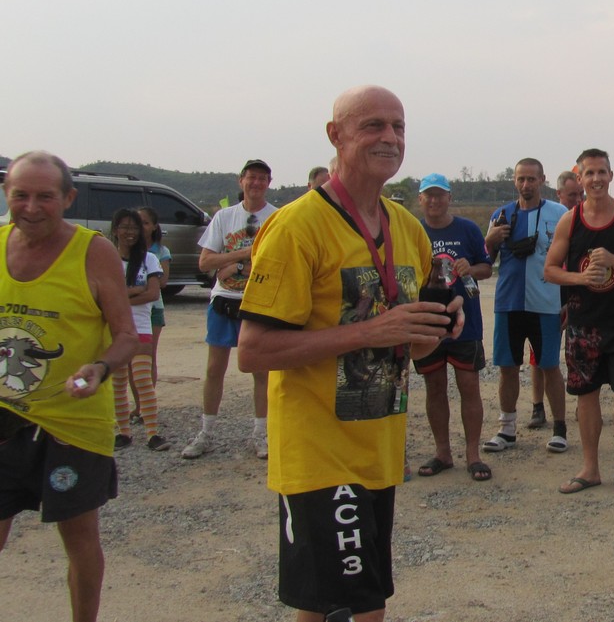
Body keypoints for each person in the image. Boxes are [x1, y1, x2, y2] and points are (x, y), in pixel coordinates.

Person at [238, 85, 461, 620]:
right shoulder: (296, 227)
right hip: (318, 453)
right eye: (373, 125)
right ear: (335, 135)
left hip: (379, 449)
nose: (390, 137)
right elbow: (253, 350)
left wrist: (438, 325)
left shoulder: (407, 229)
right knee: (339, 603)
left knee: (361, 601)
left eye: (398, 127)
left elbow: (412, 344)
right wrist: (368, 332)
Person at [0, 151, 139, 622]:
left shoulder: (92, 251)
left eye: (45, 196)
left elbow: (126, 335)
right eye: (21, 195)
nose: (31, 207)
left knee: (79, 538)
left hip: (73, 423)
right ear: (6, 194)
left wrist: (100, 368)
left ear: (68, 198)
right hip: (5, 416)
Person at [545, 148, 614, 494]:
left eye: (601, 172)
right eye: (589, 173)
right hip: (583, 325)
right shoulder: (570, 220)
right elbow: (550, 270)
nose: (596, 179)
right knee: (586, 395)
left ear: (611, 176)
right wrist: (580, 279)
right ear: (579, 178)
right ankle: (590, 468)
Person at [181, 159, 278, 460]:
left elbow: (277, 263)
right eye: (251, 177)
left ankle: (260, 434)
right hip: (224, 299)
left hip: (259, 302)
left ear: (269, 183)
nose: (256, 183)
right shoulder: (224, 217)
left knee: (261, 371)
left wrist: (232, 264)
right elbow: (205, 262)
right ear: (241, 181)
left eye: (262, 178)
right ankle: (206, 431)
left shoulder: (277, 217)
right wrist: (244, 255)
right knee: (214, 369)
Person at [483, 159, 571, 453]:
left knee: (549, 366)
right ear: (514, 180)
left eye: (531, 179)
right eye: (521, 179)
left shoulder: (559, 214)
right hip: (508, 303)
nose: (526, 184)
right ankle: (506, 430)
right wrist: (490, 240)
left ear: (542, 180)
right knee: (507, 367)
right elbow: (485, 261)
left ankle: (560, 429)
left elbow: (571, 258)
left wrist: (568, 300)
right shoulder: (501, 215)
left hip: (545, 303)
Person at [414, 173, 494, 481]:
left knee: (469, 386)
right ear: (420, 199)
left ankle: (473, 454)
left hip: (466, 322)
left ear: (449, 197)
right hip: (428, 322)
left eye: (440, 195)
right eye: (428, 195)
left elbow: (487, 268)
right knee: (434, 387)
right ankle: (442, 452)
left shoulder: (468, 229)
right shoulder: (413, 230)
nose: (434, 201)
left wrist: (469, 268)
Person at [108, 208, 171, 452]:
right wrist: (135, 290)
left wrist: (122, 296)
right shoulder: (108, 259)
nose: (130, 232)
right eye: (124, 227)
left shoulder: (150, 259)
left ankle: (152, 433)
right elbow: (105, 296)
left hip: (141, 327)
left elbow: (153, 294)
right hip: (114, 328)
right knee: (118, 382)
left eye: (134, 227)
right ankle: (123, 432)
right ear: (115, 230)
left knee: (143, 380)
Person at [527, 169, 585, 423]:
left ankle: (584, 402)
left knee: (579, 351)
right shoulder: (549, 218)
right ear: (559, 193)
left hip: (575, 293)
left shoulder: (586, 220)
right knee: (539, 355)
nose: (578, 199)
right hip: (548, 294)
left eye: (581, 194)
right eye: (572, 195)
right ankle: (537, 406)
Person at [136, 206, 171, 403]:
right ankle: (137, 403)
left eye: (145, 223)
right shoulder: (126, 251)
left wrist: (135, 289)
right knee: (131, 360)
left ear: (154, 226)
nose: (141, 227)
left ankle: (146, 402)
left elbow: (162, 281)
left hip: (154, 308)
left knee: (148, 356)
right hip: (133, 308)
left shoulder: (161, 252)